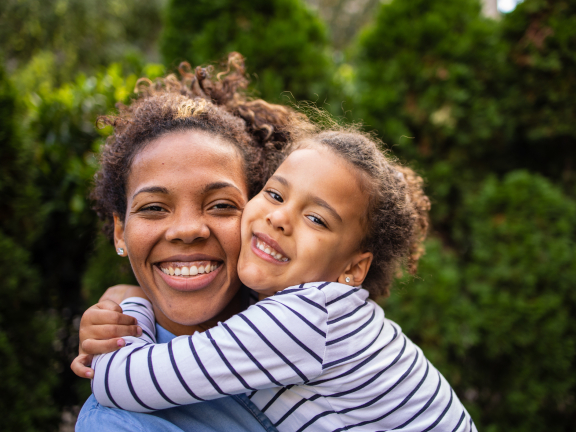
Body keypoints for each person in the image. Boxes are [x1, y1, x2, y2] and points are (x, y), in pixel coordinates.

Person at [84, 129, 477, 431]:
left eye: (317, 219)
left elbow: (118, 382)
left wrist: (131, 305)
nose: (279, 218)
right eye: (274, 194)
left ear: (354, 270)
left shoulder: (303, 320)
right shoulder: (315, 313)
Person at [72, 52, 311, 432]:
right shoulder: (118, 421)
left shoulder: (309, 324)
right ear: (121, 232)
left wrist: (129, 296)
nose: (187, 229)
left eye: (220, 205)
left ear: (257, 217)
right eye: (153, 208)